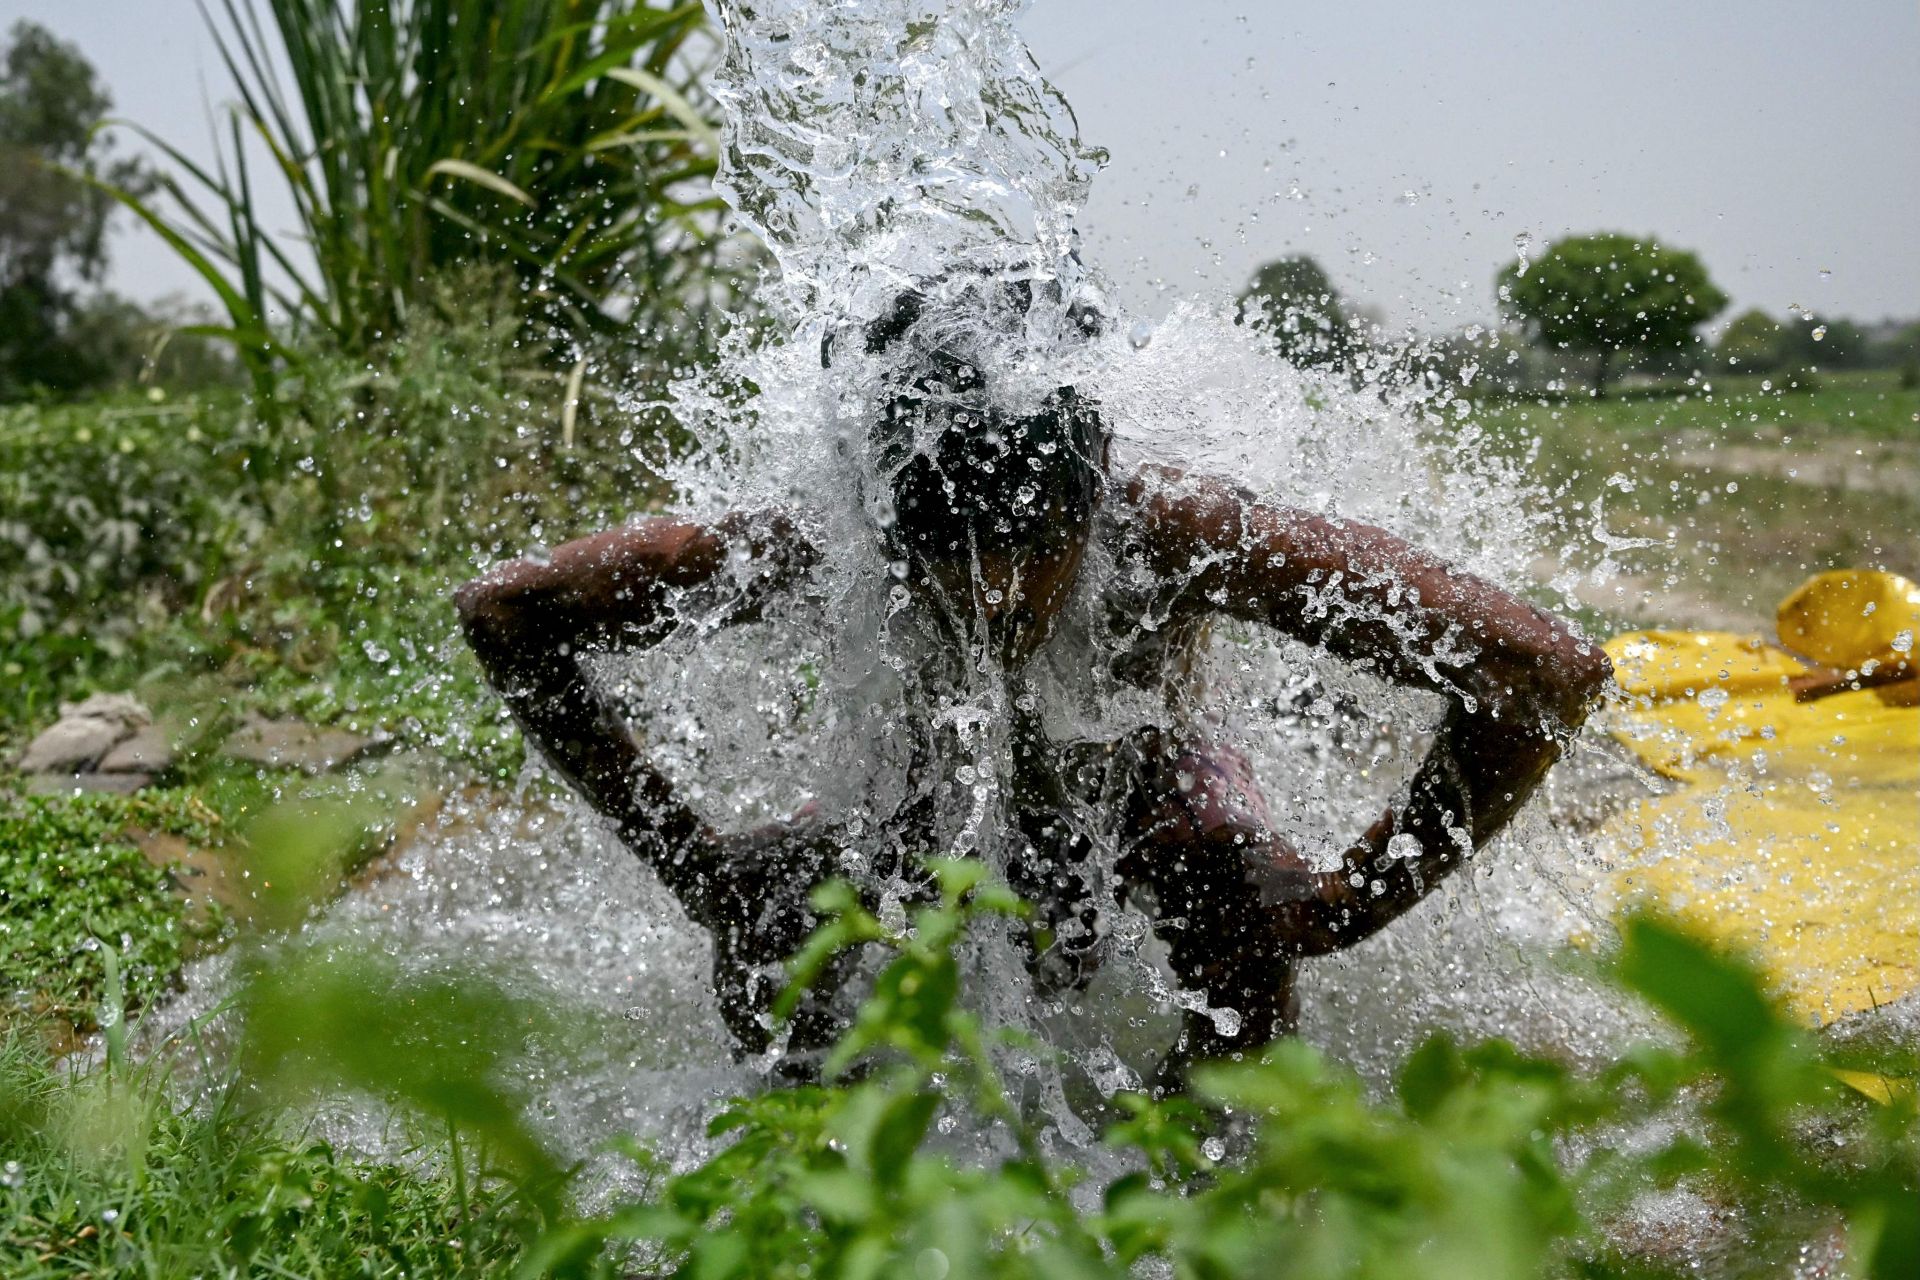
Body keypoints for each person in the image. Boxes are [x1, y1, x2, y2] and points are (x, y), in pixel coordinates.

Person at [455, 278, 1612, 1088]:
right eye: (949, 559)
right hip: (915, 779)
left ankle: (1204, 1191)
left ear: (1098, 482)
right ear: (875, 514)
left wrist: (1349, 902)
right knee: (776, 915)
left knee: (1233, 910)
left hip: (1144, 776)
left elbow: (1542, 669)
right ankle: (800, 1176)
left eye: (1039, 547)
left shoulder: (1182, 530)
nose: (1000, 596)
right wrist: (696, 866)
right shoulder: (812, 536)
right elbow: (507, 611)